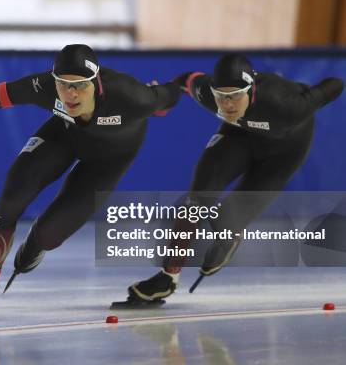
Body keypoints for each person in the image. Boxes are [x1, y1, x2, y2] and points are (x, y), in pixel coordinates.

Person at [0, 44, 181, 318]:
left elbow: (172, 93)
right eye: (63, 84)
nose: (70, 94)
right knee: (13, 194)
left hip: (111, 157)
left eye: (79, 86)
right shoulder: (44, 88)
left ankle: (37, 242)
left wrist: (181, 91)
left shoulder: (133, 96)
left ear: (95, 82)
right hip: (63, 136)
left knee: (51, 234)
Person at [118, 53, 344, 306]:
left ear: (252, 90)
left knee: (226, 218)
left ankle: (229, 234)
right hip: (239, 137)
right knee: (195, 202)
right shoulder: (206, 92)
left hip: (284, 153)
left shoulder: (287, 105)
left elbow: (335, 83)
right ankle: (168, 277)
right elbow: (183, 80)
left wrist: (315, 94)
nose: (228, 105)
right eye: (222, 96)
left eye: (236, 95)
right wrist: (164, 100)